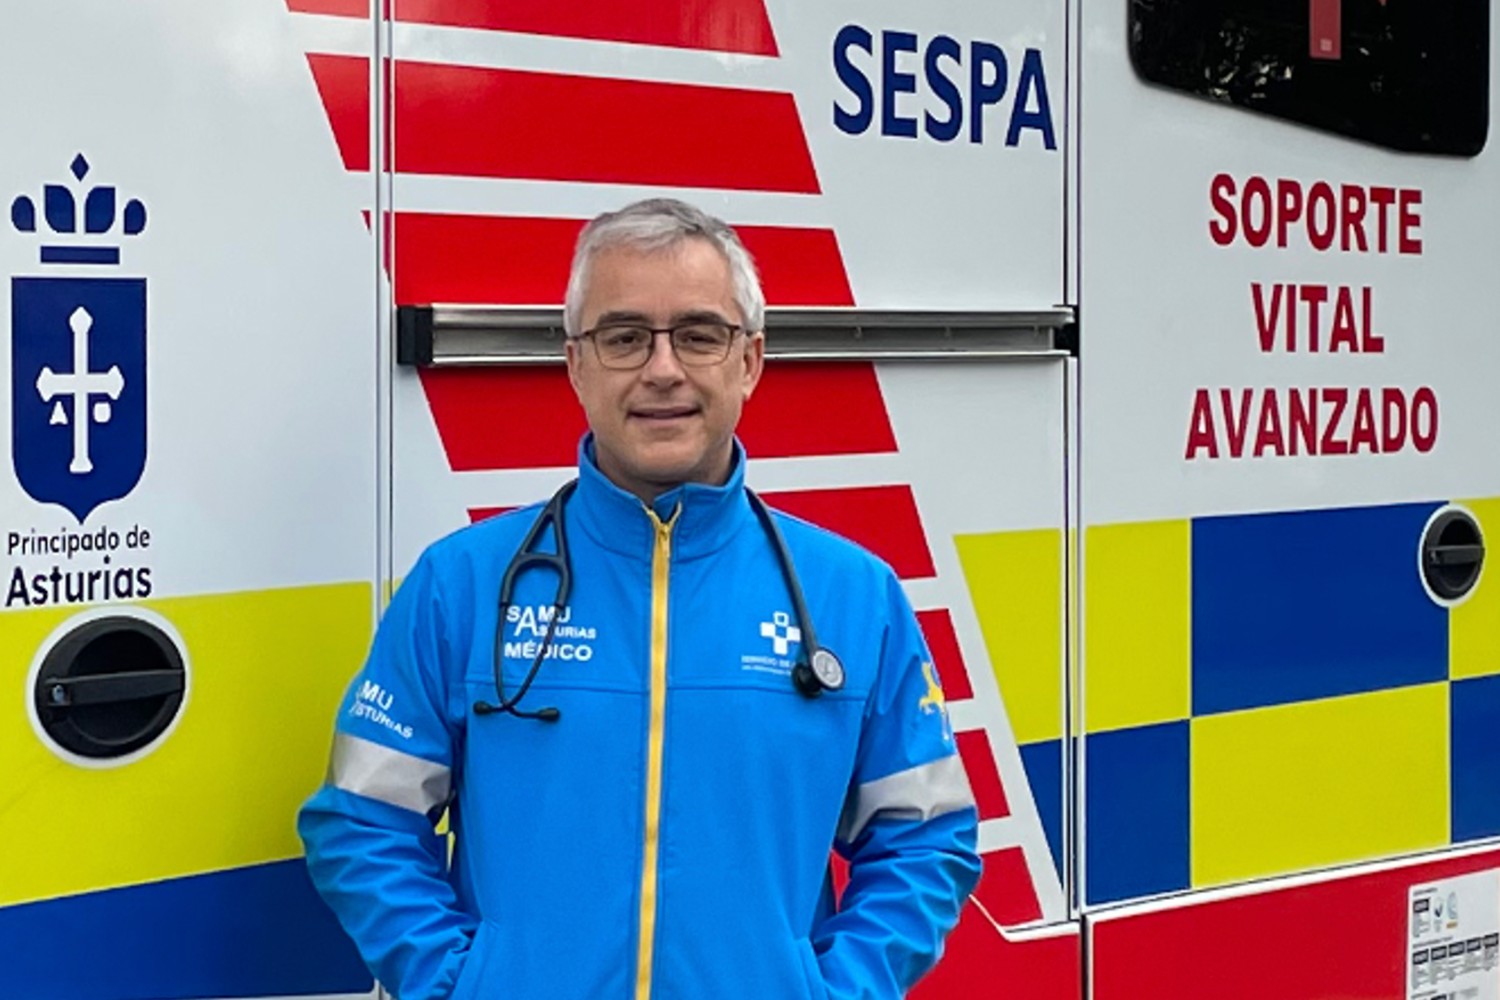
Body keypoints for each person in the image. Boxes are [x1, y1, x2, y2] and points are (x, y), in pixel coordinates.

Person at [298, 198, 981, 1000]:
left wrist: (834, 991)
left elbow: (925, 839)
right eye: (624, 338)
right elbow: (362, 821)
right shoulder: (461, 586)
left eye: (699, 334)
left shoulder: (854, 597)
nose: (662, 370)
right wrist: (461, 984)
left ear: (750, 360)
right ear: (576, 364)